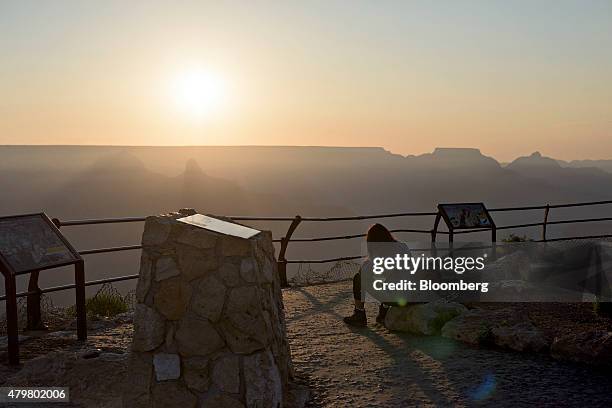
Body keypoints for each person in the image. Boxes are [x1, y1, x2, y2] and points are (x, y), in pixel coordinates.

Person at [343, 223, 408, 327]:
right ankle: (383, 313)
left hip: (396, 297)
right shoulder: (402, 246)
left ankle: (359, 313)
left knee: (359, 279)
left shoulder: (382, 253)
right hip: (410, 294)